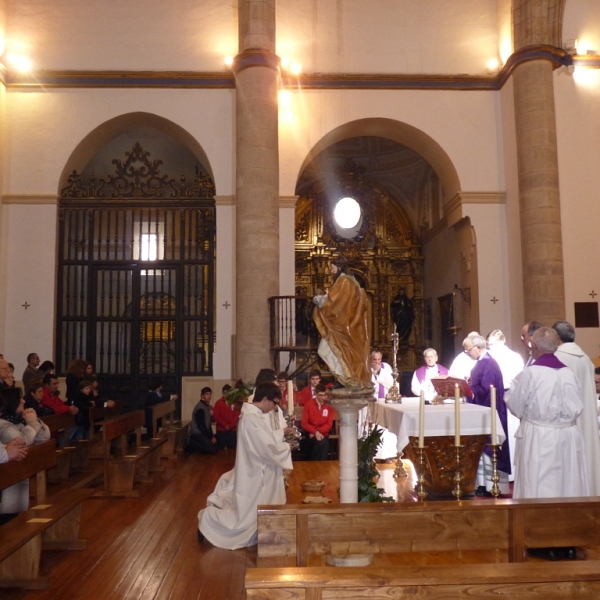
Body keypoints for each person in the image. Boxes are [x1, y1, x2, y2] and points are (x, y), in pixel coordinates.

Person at [197, 382, 293, 549]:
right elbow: (266, 448)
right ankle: (208, 518)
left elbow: (265, 438)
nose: (274, 407)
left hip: (256, 469)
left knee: (251, 513)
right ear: (265, 399)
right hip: (253, 473)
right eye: (274, 402)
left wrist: (280, 434)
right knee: (243, 518)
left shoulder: (253, 416)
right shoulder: (250, 419)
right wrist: (287, 447)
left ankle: (259, 533)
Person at [506, 328, 589, 499]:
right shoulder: (569, 373)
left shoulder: (530, 373)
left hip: (539, 435)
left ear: (533, 346)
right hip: (568, 435)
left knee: (539, 482)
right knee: (568, 480)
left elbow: (516, 405)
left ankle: (537, 519)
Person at [552, 320, 600, 496]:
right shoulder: (585, 358)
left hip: (567, 420)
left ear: (556, 337)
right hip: (586, 416)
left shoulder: (558, 358)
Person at [312, 256, 371, 388]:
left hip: (341, 326)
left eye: (333, 268)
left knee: (327, 350)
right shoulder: (350, 282)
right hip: (348, 325)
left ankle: (345, 379)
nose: (331, 271)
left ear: (339, 267)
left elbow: (336, 305)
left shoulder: (344, 282)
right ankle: (343, 378)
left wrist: (320, 300)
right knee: (332, 351)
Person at [465, 334, 510, 494]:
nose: (467, 353)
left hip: (489, 411)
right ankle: (483, 485)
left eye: (468, 350)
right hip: (482, 411)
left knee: (489, 449)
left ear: (478, 347)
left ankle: (492, 486)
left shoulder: (489, 364)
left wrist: (467, 389)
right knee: (481, 449)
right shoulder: (481, 362)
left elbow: (486, 389)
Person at [0, 387, 51, 516]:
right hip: (7, 478)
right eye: (19, 399)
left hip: (17, 474)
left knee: (14, 517)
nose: (23, 401)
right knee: (7, 518)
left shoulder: (19, 420)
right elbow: (22, 441)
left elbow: (44, 436)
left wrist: (35, 420)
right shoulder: (3, 424)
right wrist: (32, 424)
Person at [486, 329, 525, 481]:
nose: (490, 348)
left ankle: (512, 473)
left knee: (509, 433)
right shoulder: (490, 357)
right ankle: (496, 473)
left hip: (508, 398)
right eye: (488, 345)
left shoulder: (513, 357)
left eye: (492, 344)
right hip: (492, 398)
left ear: (502, 341)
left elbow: (515, 379)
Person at [301, 384, 335, 460]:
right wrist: (314, 432)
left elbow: (329, 424)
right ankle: (319, 465)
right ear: (315, 394)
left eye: (324, 395)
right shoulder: (309, 405)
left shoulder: (329, 406)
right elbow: (304, 423)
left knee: (322, 442)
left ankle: (316, 465)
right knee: (320, 443)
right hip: (310, 433)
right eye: (320, 395)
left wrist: (318, 432)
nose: (323, 397)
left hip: (323, 433)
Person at [186, 387, 216, 454]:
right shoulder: (200, 408)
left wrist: (211, 436)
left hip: (203, 432)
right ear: (202, 396)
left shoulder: (207, 406)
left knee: (216, 445)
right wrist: (210, 437)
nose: (209, 396)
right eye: (207, 394)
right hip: (197, 433)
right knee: (212, 450)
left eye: (210, 394)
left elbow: (208, 424)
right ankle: (191, 444)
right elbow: (201, 426)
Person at [213, 384, 240, 450]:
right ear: (222, 393)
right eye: (225, 393)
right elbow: (216, 416)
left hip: (232, 429)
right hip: (221, 429)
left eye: (228, 393)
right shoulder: (218, 403)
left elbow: (237, 415)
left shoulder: (234, 402)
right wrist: (225, 425)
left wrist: (230, 426)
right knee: (221, 446)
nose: (226, 395)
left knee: (233, 445)